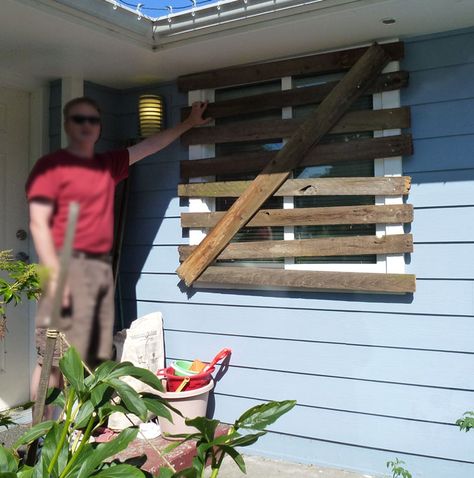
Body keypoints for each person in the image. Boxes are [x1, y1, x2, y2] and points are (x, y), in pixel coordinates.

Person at [26, 95, 210, 404]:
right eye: (79, 120)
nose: (86, 127)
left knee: (88, 360)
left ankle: (75, 433)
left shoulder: (107, 165)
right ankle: (36, 437)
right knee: (51, 364)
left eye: (92, 121)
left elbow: (148, 147)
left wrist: (188, 123)